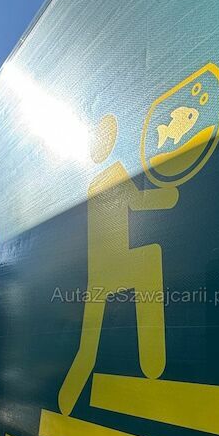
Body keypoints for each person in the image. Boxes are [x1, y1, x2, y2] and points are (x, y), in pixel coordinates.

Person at [58, 113, 178, 417]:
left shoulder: (93, 185)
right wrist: (170, 196)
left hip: (97, 273)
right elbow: (139, 202)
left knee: (87, 348)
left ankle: (67, 397)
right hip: (118, 263)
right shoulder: (114, 174)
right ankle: (153, 362)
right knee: (151, 256)